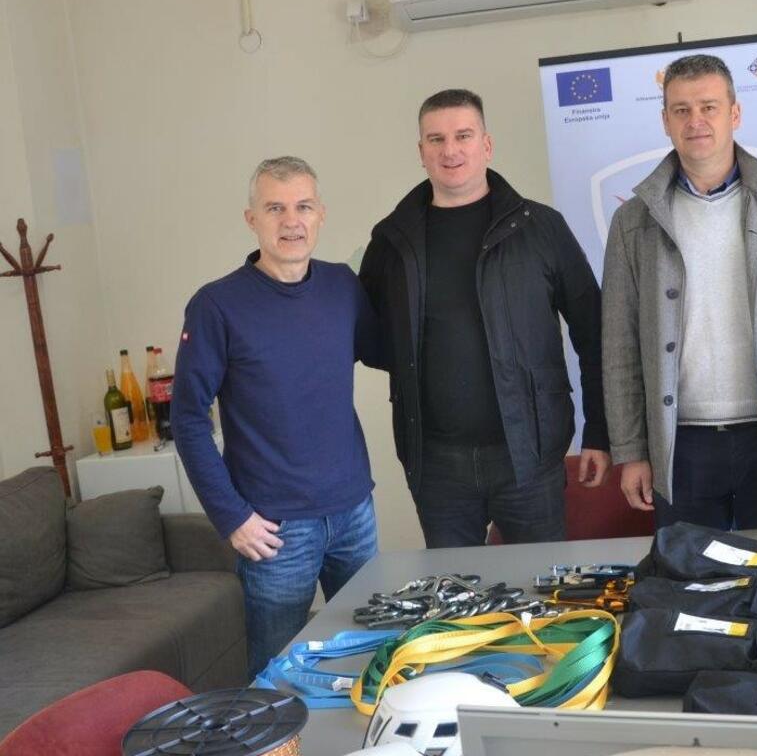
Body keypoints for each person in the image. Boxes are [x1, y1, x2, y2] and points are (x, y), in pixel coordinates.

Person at [602, 54, 757, 531]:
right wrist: (632, 450)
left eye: (709, 107)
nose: (695, 121)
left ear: (734, 114)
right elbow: (620, 347)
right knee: (691, 574)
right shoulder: (633, 222)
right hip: (681, 446)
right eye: (681, 110)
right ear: (665, 121)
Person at [359, 89, 610, 548]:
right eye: (436, 139)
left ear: (487, 145)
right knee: (457, 590)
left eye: (463, 136)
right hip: (437, 466)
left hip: (530, 457)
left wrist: (599, 432)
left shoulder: (541, 227)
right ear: (421, 152)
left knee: (542, 586)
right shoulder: (392, 240)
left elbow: (594, 334)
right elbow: (370, 338)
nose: (450, 150)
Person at [173, 156, 380, 678]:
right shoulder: (216, 305)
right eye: (275, 208)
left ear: (321, 214)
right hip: (274, 529)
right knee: (278, 679)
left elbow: (387, 351)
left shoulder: (342, 286)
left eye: (303, 207)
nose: (292, 221)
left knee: (374, 658)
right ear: (252, 219)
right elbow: (188, 418)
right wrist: (231, 517)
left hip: (354, 512)